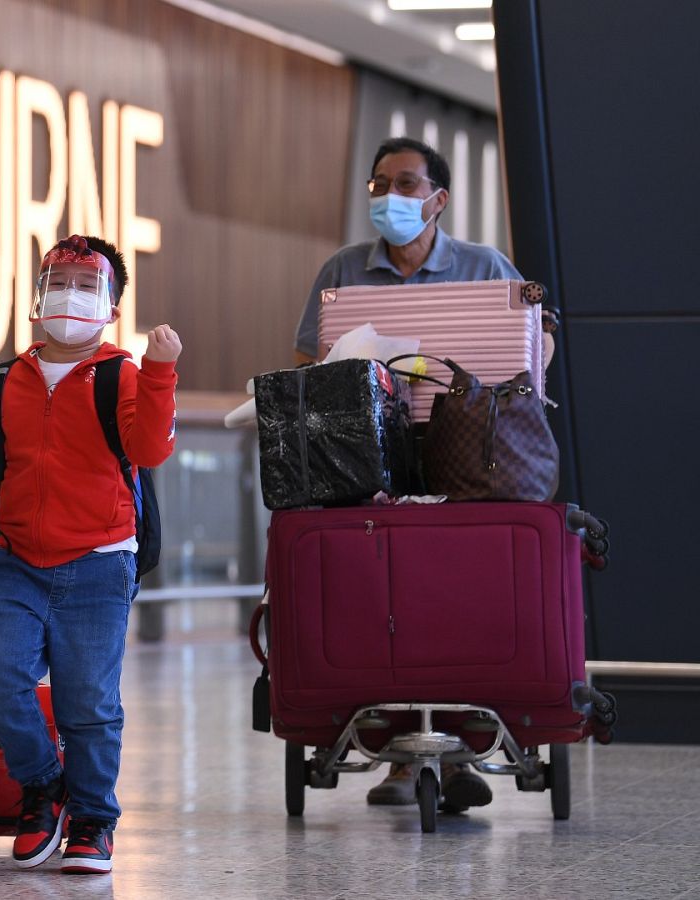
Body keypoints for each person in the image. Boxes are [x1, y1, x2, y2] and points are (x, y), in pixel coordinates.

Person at [295, 137, 523, 810]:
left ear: (438, 199)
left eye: (405, 184)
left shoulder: (483, 268)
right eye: (378, 185)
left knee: (455, 595)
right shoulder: (344, 270)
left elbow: (536, 340)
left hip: (462, 450)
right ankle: (397, 755)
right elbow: (309, 362)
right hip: (373, 452)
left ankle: (457, 751)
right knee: (382, 596)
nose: (389, 196)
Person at [0, 235, 180, 875]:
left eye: (87, 287)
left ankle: (93, 821)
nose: (69, 297)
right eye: (60, 283)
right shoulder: (6, 382)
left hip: (100, 563)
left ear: (110, 308)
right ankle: (43, 786)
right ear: (37, 295)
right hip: (15, 560)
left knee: (88, 702)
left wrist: (160, 372)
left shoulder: (121, 375)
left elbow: (152, 449)